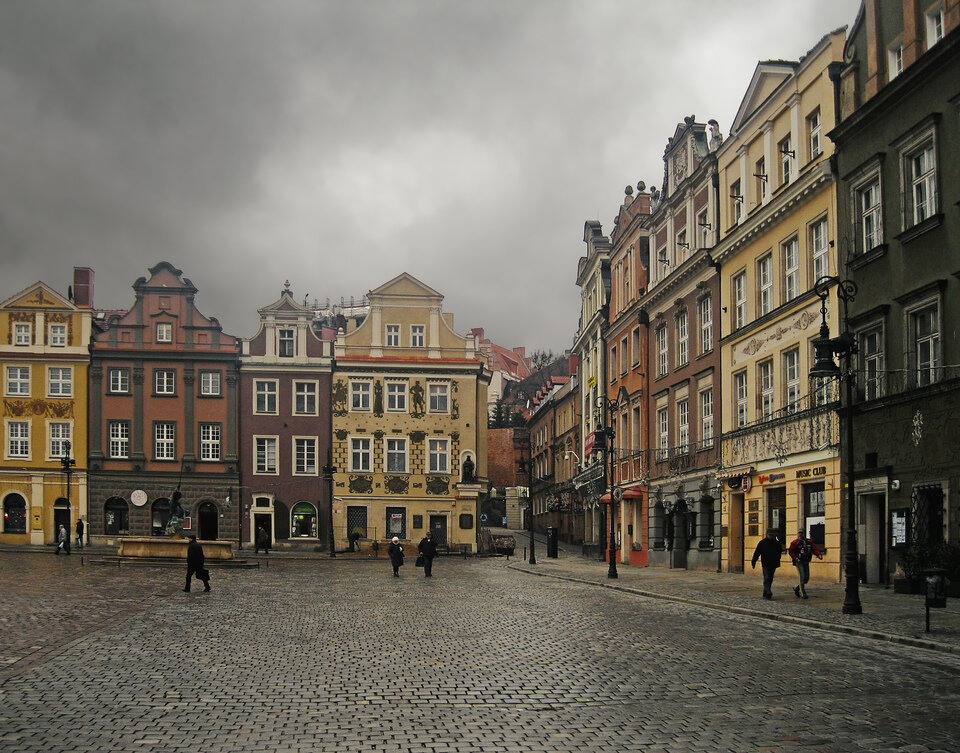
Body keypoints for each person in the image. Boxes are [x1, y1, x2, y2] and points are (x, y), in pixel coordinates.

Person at [788, 528, 824, 599]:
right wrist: (795, 558)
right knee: (802, 576)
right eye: (799, 533)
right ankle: (803, 593)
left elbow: (814, 549)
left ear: (804, 534)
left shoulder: (809, 542)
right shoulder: (795, 542)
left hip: (806, 561)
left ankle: (797, 588)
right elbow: (791, 551)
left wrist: (819, 554)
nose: (800, 534)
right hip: (799, 561)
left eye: (802, 533)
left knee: (806, 578)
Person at [751, 528, 782, 600]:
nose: (771, 536)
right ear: (767, 535)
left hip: (773, 563)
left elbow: (779, 552)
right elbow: (757, 553)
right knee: (767, 577)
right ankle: (768, 591)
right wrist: (753, 561)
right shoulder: (762, 543)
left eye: (772, 535)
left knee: (770, 578)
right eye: (770, 535)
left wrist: (778, 559)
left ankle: (765, 592)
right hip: (765, 563)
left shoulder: (776, 543)